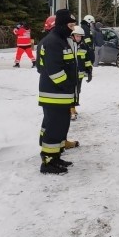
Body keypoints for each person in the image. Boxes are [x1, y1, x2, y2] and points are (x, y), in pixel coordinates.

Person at [35, 9, 79, 174]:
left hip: (61, 95)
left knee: (60, 126)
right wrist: (67, 85)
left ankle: (56, 157)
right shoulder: (53, 42)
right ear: (61, 25)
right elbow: (54, 70)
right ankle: (48, 162)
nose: (72, 28)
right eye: (70, 25)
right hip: (54, 95)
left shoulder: (61, 40)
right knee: (54, 128)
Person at [69, 25, 92, 120]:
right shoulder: (68, 45)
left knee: (77, 91)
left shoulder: (84, 46)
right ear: (72, 36)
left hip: (80, 74)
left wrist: (89, 71)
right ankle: (71, 109)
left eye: (80, 36)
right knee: (71, 92)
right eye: (77, 36)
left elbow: (87, 59)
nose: (78, 38)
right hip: (70, 75)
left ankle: (73, 108)